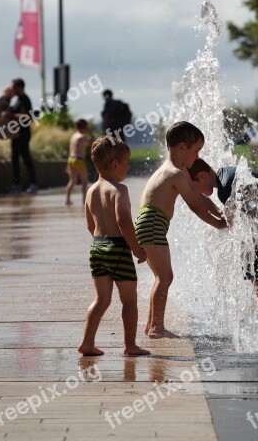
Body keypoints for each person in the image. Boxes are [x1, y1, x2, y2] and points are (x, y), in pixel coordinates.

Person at [135, 121, 228, 339]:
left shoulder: (180, 171)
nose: (197, 157)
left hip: (151, 223)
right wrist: (219, 225)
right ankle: (157, 327)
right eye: (196, 150)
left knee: (161, 276)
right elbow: (194, 206)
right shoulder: (174, 174)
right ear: (181, 148)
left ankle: (151, 325)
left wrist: (219, 211)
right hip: (152, 223)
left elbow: (199, 197)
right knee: (165, 277)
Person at [188, 159, 258, 326]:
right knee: (252, 259)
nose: (198, 192)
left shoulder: (225, 187)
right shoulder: (225, 177)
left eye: (194, 186)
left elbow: (232, 220)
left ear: (202, 176)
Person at [78, 136, 150, 357]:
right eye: (126, 161)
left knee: (101, 299)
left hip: (97, 247)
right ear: (115, 164)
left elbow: (90, 224)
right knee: (129, 300)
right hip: (118, 248)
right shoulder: (119, 190)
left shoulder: (91, 191)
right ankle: (130, 346)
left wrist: (102, 240)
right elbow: (124, 221)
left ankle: (87, 343)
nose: (128, 166)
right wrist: (137, 249)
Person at [10, 78, 37, 194]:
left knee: (26, 158)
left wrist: (12, 115)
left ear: (20, 87)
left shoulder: (25, 100)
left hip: (23, 134)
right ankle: (16, 184)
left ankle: (33, 183)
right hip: (15, 134)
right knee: (14, 159)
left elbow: (27, 116)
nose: (12, 89)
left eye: (14, 87)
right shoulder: (16, 100)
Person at [65, 118, 92, 206]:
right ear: (85, 128)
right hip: (79, 160)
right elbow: (93, 142)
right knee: (84, 181)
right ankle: (84, 201)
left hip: (71, 159)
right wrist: (90, 133)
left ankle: (67, 200)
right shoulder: (82, 137)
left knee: (72, 181)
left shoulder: (73, 136)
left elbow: (69, 150)